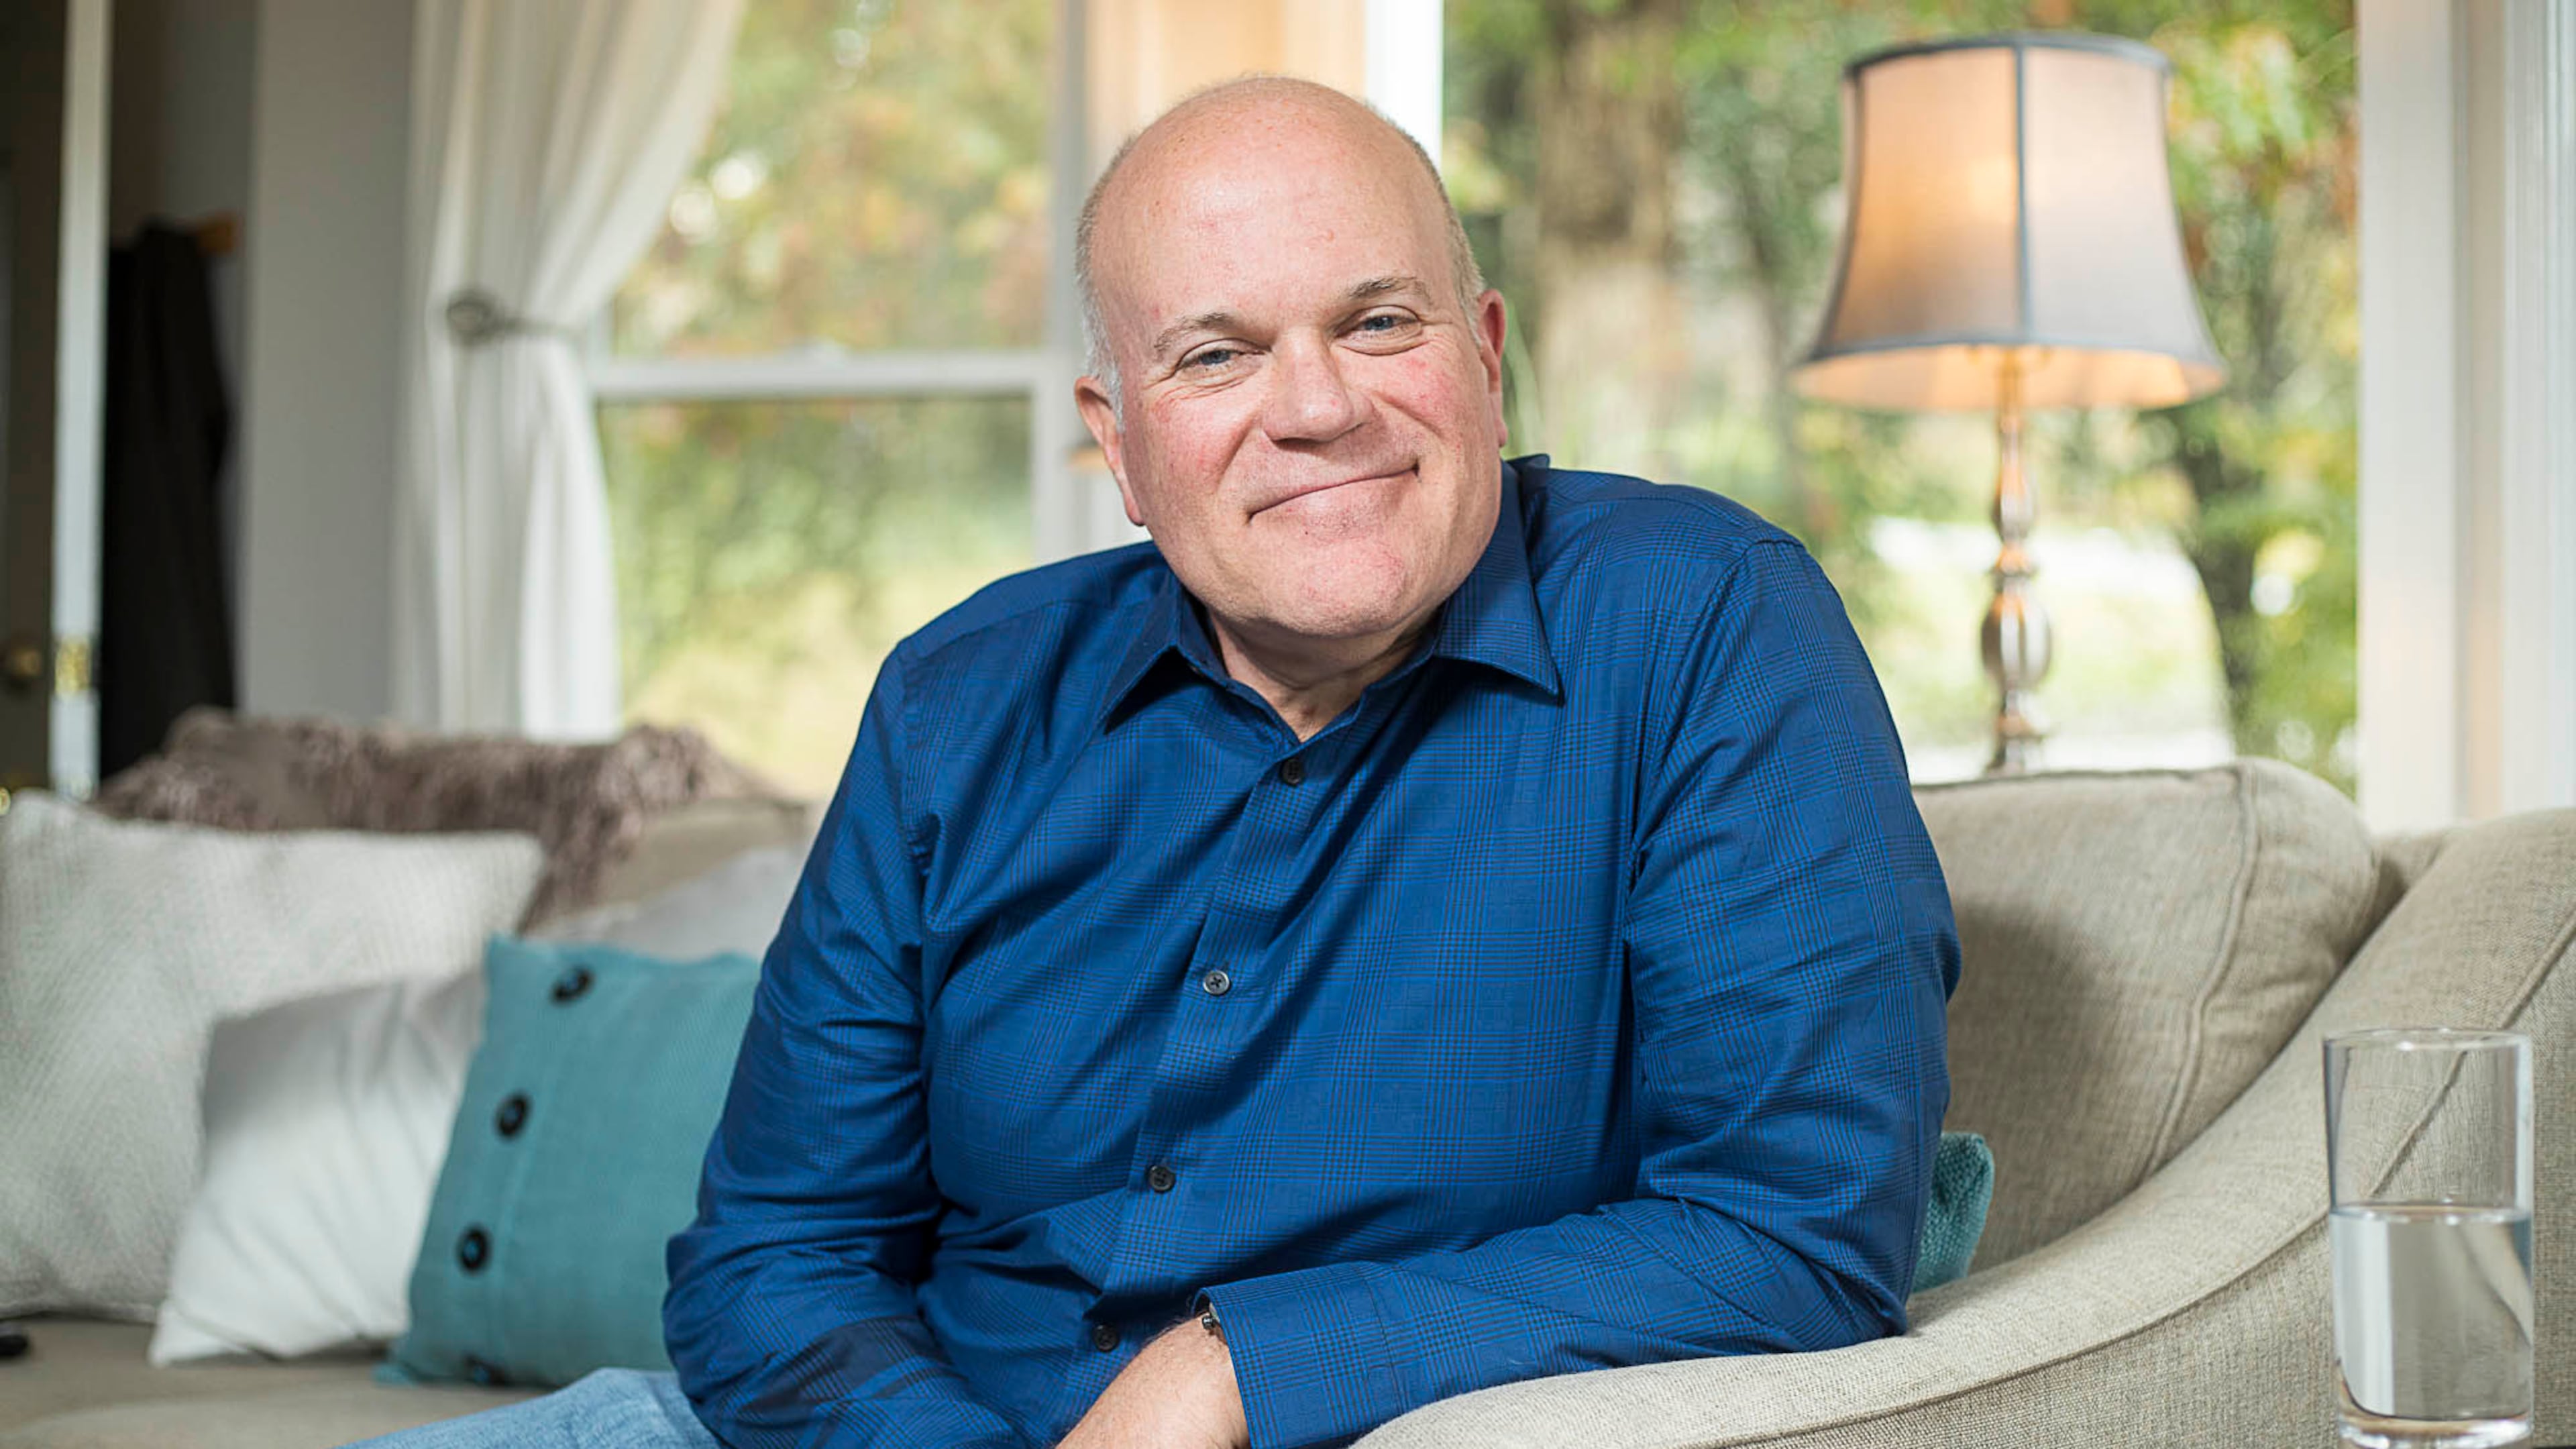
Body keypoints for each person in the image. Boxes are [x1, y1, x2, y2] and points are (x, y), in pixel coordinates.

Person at [352, 74, 1957, 1449]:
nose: (1317, 405)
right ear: (1117, 444)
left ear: (1484, 352)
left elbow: (1794, 1230)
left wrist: (1241, 1367)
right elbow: (775, 1257)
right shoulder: (958, 700)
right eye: (1214, 355)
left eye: (1376, 321)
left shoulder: (1706, 629)